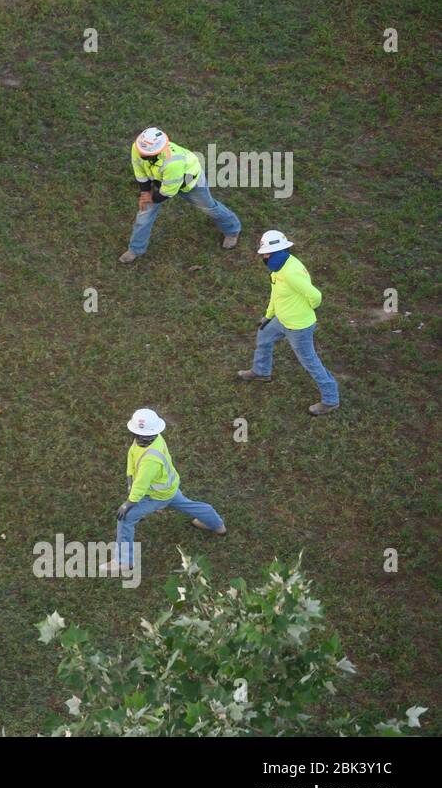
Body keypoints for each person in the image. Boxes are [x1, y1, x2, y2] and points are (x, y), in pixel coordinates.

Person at [100, 408, 226, 574]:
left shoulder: (150, 458)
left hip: (157, 495)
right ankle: (217, 525)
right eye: (139, 435)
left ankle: (123, 562)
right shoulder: (152, 439)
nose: (141, 439)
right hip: (169, 488)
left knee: (126, 518)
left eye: (145, 436)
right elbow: (132, 455)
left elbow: (141, 485)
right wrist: (130, 478)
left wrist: (129, 503)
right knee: (186, 504)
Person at [238, 230, 340, 415]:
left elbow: (316, 296)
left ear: (275, 253)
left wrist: (304, 310)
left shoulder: (291, 272)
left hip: (298, 327)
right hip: (281, 319)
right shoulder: (279, 268)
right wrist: (268, 316)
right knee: (264, 336)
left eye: (266, 254)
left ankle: (330, 400)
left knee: (309, 361)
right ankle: (261, 371)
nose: (263, 256)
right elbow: (276, 295)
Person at [119, 127, 240, 263]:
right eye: (141, 151)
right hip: (161, 178)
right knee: (144, 216)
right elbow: (139, 170)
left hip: (190, 183)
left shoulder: (173, 162)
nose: (141, 154)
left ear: (157, 152)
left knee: (210, 208)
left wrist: (151, 198)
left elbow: (168, 192)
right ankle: (135, 249)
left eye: (145, 153)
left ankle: (232, 230)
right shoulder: (138, 148)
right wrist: (145, 192)